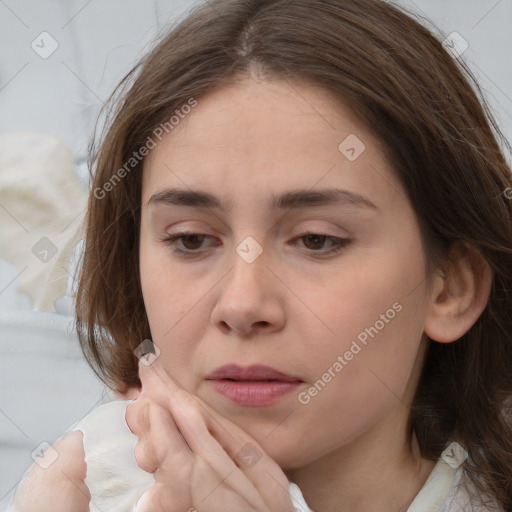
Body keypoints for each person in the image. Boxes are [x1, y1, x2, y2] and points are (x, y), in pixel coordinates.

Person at [11, 0, 512, 510]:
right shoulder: (69, 489)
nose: (242, 305)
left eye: (317, 240)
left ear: (451, 287)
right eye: (191, 239)